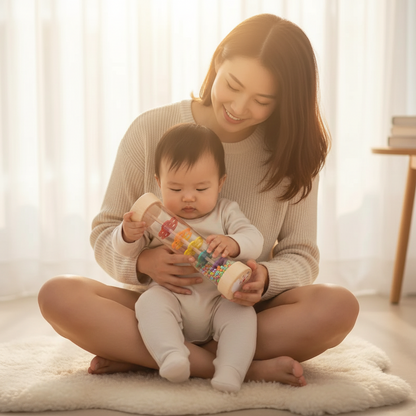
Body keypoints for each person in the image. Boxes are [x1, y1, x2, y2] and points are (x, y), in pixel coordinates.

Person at [38, 13, 359, 388]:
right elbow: (106, 230)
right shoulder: (150, 129)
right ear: (217, 61)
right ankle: (236, 368)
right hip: (159, 305)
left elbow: (302, 255)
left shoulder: (294, 154)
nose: (239, 107)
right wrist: (144, 262)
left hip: (241, 310)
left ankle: (152, 356)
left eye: (262, 100)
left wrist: (265, 277)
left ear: (285, 101)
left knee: (339, 306)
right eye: (233, 85)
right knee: (58, 294)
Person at [113, 123, 264, 392]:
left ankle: (231, 370)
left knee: (244, 315)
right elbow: (125, 252)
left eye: (202, 189)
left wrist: (234, 243)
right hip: (172, 296)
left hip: (220, 298)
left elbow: (255, 240)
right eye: (175, 189)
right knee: (148, 303)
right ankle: (172, 355)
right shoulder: (159, 220)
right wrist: (127, 234)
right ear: (158, 183)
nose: (188, 198)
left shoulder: (226, 212)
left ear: (220, 183)